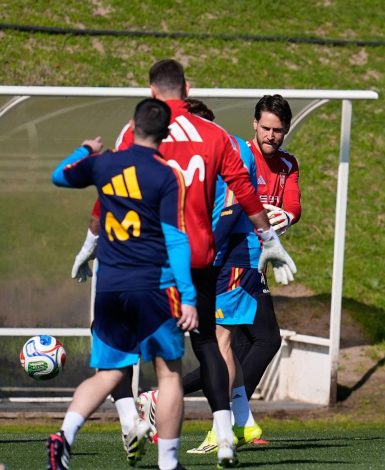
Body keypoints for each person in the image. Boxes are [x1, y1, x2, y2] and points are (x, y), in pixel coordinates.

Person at [89, 59, 296, 468]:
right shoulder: (219, 138)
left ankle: (123, 419)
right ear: (186, 88)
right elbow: (243, 193)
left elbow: (111, 183)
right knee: (206, 347)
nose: (271, 135)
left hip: (149, 257)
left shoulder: (138, 133)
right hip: (203, 258)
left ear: (153, 92)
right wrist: (268, 236)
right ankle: (222, 435)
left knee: (119, 339)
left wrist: (94, 238)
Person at [47, 98, 198, 470]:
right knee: (169, 374)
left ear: (132, 125)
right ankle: (168, 463)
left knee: (111, 373)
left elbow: (60, 175)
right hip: (154, 288)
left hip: (110, 288)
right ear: (165, 134)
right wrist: (189, 296)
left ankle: (65, 435)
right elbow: (176, 239)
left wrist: (85, 150)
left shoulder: (104, 163)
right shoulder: (166, 175)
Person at [179, 95, 301, 453]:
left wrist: (283, 218)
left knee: (227, 343)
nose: (271, 135)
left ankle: (222, 425)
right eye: (266, 128)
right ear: (254, 125)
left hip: (239, 258)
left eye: (278, 130)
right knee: (236, 342)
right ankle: (239, 420)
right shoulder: (236, 152)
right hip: (231, 255)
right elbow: (229, 206)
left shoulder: (284, 163)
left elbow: (290, 206)